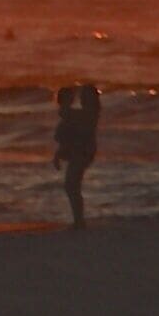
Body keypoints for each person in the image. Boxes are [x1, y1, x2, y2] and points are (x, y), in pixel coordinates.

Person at [54, 83, 99, 228]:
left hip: (82, 151)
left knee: (72, 185)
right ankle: (78, 220)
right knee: (72, 185)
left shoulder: (89, 114)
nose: (82, 99)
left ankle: (79, 221)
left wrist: (65, 102)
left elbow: (67, 115)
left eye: (85, 96)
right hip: (78, 150)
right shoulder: (85, 113)